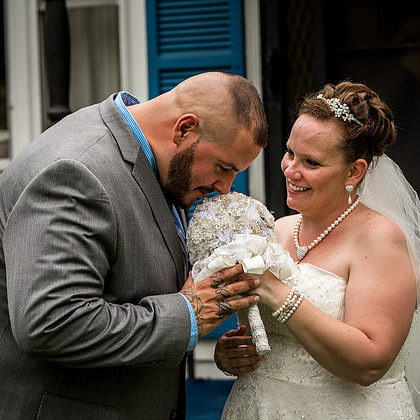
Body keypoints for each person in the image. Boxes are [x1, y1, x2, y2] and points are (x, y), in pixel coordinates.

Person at [0, 72, 268, 419]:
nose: (225, 187)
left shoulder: (158, 162)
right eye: (222, 167)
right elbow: (51, 322)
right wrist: (186, 317)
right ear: (184, 129)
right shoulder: (76, 171)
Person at [215, 81, 420, 419]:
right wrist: (229, 354)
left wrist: (274, 291)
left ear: (354, 171)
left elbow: (370, 364)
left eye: (311, 162)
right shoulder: (276, 230)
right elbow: (265, 337)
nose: (290, 170)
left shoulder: (379, 238)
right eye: (290, 152)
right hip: (259, 407)